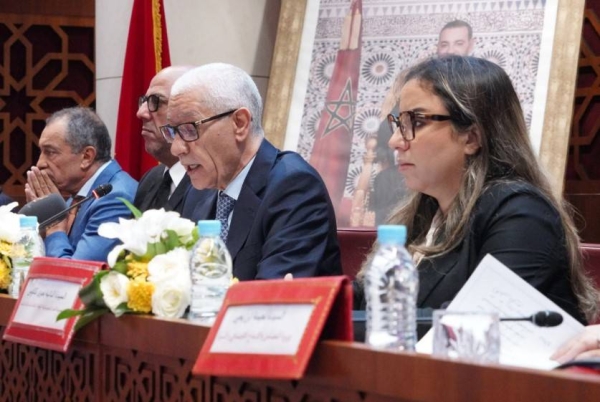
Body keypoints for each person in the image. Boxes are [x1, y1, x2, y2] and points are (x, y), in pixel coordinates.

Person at [355, 56, 598, 324]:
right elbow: (365, 298)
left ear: (471, 137)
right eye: (398, 123)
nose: (394, 141)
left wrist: (343, 321)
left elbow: (475, 324)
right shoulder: (423, 211)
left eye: (416, 122)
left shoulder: (521, 213)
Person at [164, 63, 342, 280]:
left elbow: (271, 295)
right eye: (172, 132)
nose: (176, 148)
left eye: (189, 129)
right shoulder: (198, 190)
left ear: (239, 123)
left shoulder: (294, 187)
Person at [25, 107, 137, 262]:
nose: (40, 163)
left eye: (50, 152)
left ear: (86, 157)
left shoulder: (115, 199)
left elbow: (73, 274)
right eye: (41, 152)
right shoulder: (76, 198)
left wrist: (54, 225)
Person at [134, 66, 192, 213]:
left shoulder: (212, 184)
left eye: (156, 101)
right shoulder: (150, 179)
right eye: (144, 101)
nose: (141, 113)